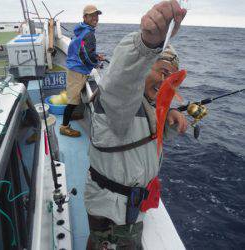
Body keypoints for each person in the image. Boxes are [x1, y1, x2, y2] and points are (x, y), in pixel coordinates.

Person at [84, 1, 188, 249]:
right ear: (143, 69)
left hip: (133, 207)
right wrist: (147, 45)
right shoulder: (118, 103)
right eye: (162, 71)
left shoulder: (152, 104)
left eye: (172, 78)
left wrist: (170, 117)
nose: (166, 83)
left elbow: (147, 137)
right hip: (112, 214)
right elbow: (122, 81)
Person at [60, 4, 105, 137]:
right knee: (72, 101)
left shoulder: (82, 30)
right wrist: (96, 63)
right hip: (77, 71)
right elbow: (85, 55)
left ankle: (70, 119)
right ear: (85, 17)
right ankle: (64, 127)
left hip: (75, 68)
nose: (95, 18)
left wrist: (95, 56)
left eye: (96, 15)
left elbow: (83, 50)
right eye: (92, 15)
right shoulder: (89, 33)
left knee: (74, 98)